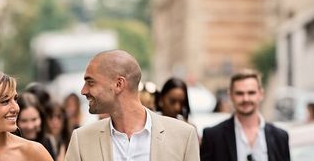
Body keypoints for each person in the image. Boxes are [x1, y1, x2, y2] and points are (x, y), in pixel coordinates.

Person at [64, 50, 200, 161]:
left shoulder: (184, 136)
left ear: (119, 84)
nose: (83, 91)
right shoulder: (80, 140)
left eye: (91, 82)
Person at [200, 70, 290, 161]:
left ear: (261, 94)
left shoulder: (280, 137)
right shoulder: (213, 136)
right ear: (230, 95)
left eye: (251, 93)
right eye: (239, 93)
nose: (245, 99)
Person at [17, 92, 56, 159]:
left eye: (34, 119)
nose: (30, 126)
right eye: (24, 121)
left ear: (41, 118)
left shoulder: (48, 142)